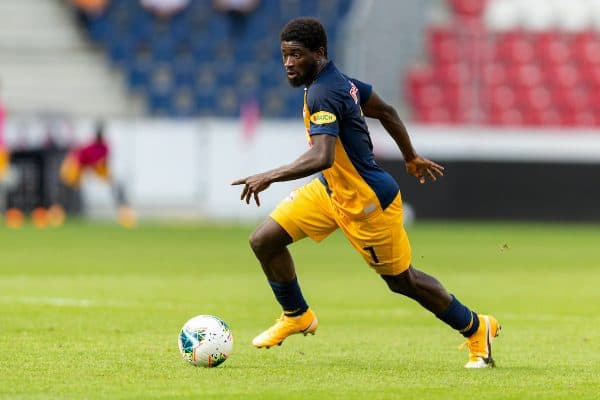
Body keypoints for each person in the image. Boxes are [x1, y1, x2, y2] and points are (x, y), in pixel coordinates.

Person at [232, 17, 500, 368]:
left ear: (319, 53)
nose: (289, 63)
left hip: (367, 204)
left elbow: (322, 155)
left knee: (404, 282)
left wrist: (269, 175)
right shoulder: (341, 84)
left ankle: (476, 327)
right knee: (264, 240)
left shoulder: (324, 92)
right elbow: (386, 111)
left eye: (296, 54)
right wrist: (411, 157)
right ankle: (296, 314)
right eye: (284, 55)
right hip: (331, 191)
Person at [60, 122, 136, 227]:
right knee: (70, 191)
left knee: (115, 185)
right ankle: (61, 214)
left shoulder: (105, 146)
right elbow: (81, 160)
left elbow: (102, 164)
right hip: (77, 167)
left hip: (93, 168)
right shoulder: (90, 146)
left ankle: (124, 211)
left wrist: (107, 177)